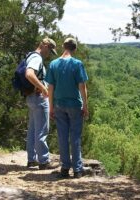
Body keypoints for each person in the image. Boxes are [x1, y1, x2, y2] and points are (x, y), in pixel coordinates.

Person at [45, 37, 89, 178]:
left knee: (62, 136)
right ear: (74, 48)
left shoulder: (53, 64)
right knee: (75, 137)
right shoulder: (77, 64)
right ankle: (77, 170)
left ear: (64, 47)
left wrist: (51, 107)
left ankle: (65, 168)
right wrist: (85, 106)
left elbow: (50, 88)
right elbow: (82, 86)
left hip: (59, 105)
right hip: (75, 105)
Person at [25, 37, 59, 170]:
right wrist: (43, 88)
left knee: (33, 129)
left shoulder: (30, 56)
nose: (49, 53)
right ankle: (44, 161)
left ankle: (31, 159)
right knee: (42, 131)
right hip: (39, 98)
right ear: (44, 45)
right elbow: (29, 74)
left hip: (31, 97)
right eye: (50, 50)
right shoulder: (37, 58)